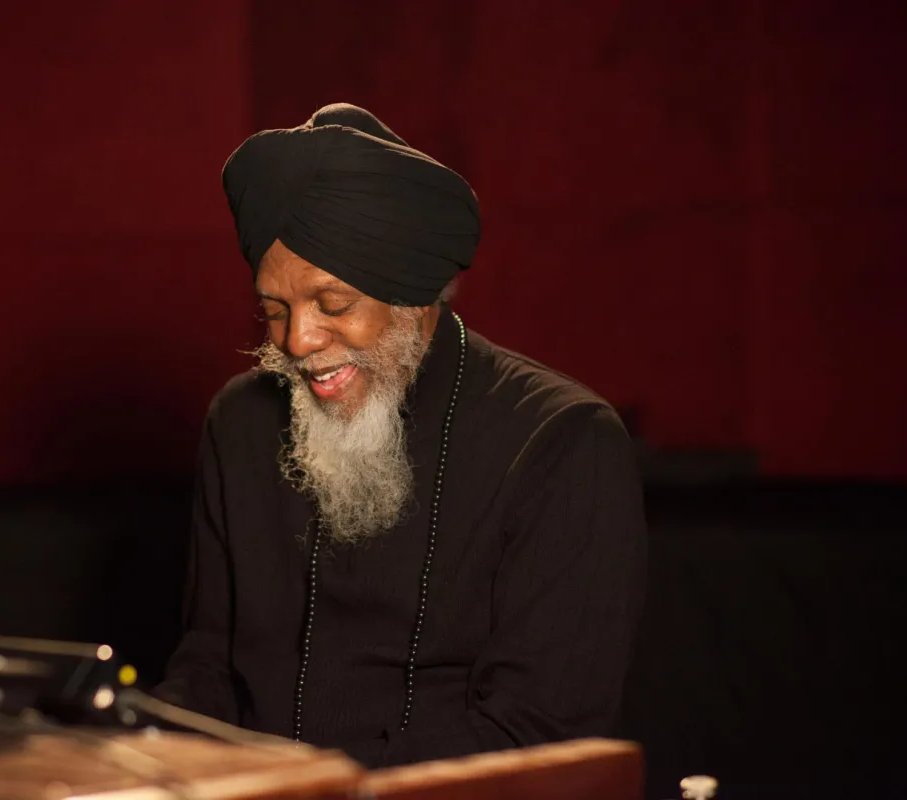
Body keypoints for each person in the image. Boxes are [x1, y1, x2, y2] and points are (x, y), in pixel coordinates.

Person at [153, 103, 646, 768]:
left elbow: (537, 735)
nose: (298, 341)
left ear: (414, 294)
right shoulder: (239, 422)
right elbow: (209, 667)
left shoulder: (563, 441)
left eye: (334, 306)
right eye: (274, 310)